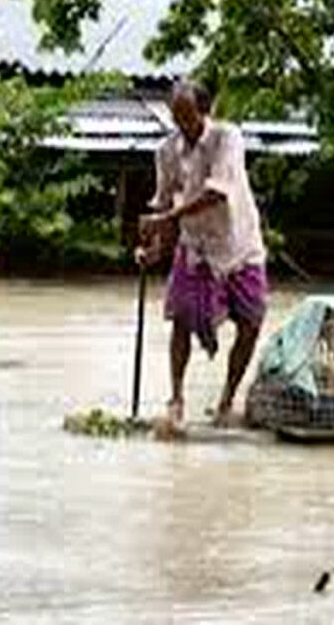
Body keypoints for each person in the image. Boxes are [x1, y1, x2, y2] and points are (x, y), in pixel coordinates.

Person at [136, 81, 268, 428]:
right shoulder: (166, 151)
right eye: (175, 116)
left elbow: (217, 192)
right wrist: (153, 247)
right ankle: (176, 399)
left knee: (251, 323)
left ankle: (226, 402)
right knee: (180, 320)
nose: (181, 124)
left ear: (204, 112)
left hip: (239, 244)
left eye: (187, 116)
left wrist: (165, 218)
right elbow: (162, 200)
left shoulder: (228, 138)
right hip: (195, 247)